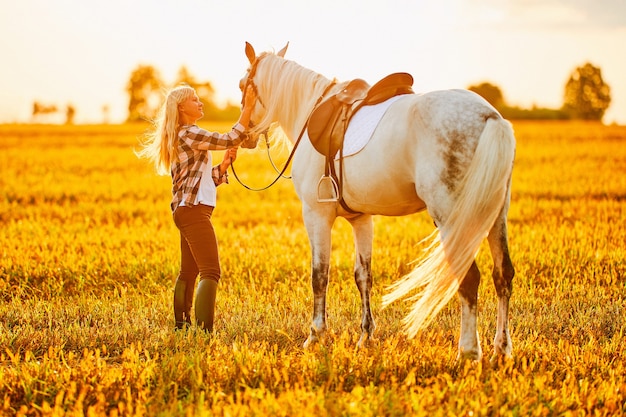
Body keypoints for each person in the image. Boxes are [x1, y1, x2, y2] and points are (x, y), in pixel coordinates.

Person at [137, 84, 257, 332]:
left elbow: (199, 181)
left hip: (187, 209)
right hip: (193, 212)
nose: (200, 103)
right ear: (182, 108)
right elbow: (230, 138)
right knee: (210, 271)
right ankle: (204, 332)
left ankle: (182, 327)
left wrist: (223, 167)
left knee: (188, 272)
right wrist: (248, 109)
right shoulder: (189, 133)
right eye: (195, 100)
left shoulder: (182, 136)